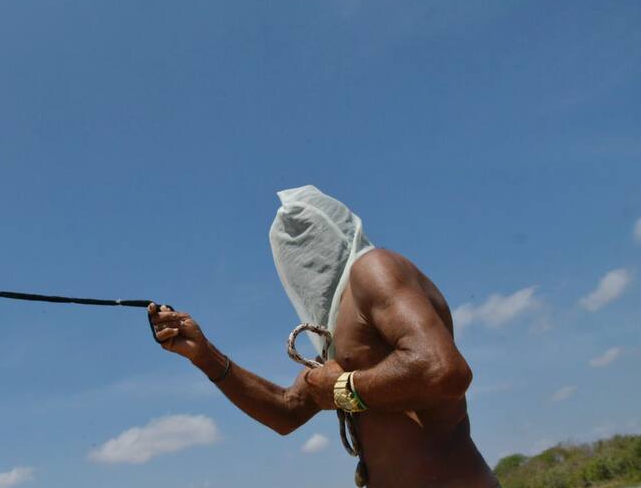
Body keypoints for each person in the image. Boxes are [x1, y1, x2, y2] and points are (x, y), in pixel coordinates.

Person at [148, 186, 498, 488]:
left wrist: (343, 390)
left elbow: (443, 371)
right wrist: (204, 354)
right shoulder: (333, 332)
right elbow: (287, 411)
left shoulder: (374, 269)